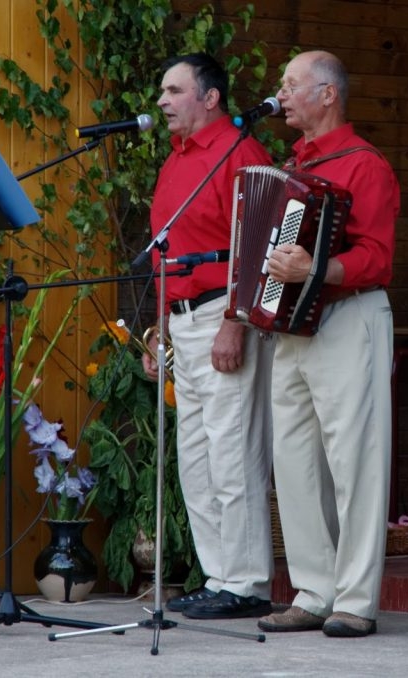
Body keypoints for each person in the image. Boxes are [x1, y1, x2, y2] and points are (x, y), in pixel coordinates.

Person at [254, 50, 400, 638]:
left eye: (292, 85)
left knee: (355, 461)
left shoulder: (367, 165)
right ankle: (314, 590)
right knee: (293, 462)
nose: (281, 94)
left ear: (327, 95)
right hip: (292, 324)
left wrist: (316, 270)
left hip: (347, 317)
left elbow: (377, 256)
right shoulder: (291, 164)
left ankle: (357, 600)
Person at [140, 52, 275, 620]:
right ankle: (219, 575)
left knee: (232, 453)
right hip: (181, 320)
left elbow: (263, 248)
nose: (163, 102)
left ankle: (246, 584)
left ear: (211, 97)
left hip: (223, 314)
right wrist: (158, 327)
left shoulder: (241, 153)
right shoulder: (175, 160)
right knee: (194, 458)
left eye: (174, 91)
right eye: (162, 93)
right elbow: (166, 251)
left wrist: (233, 322)